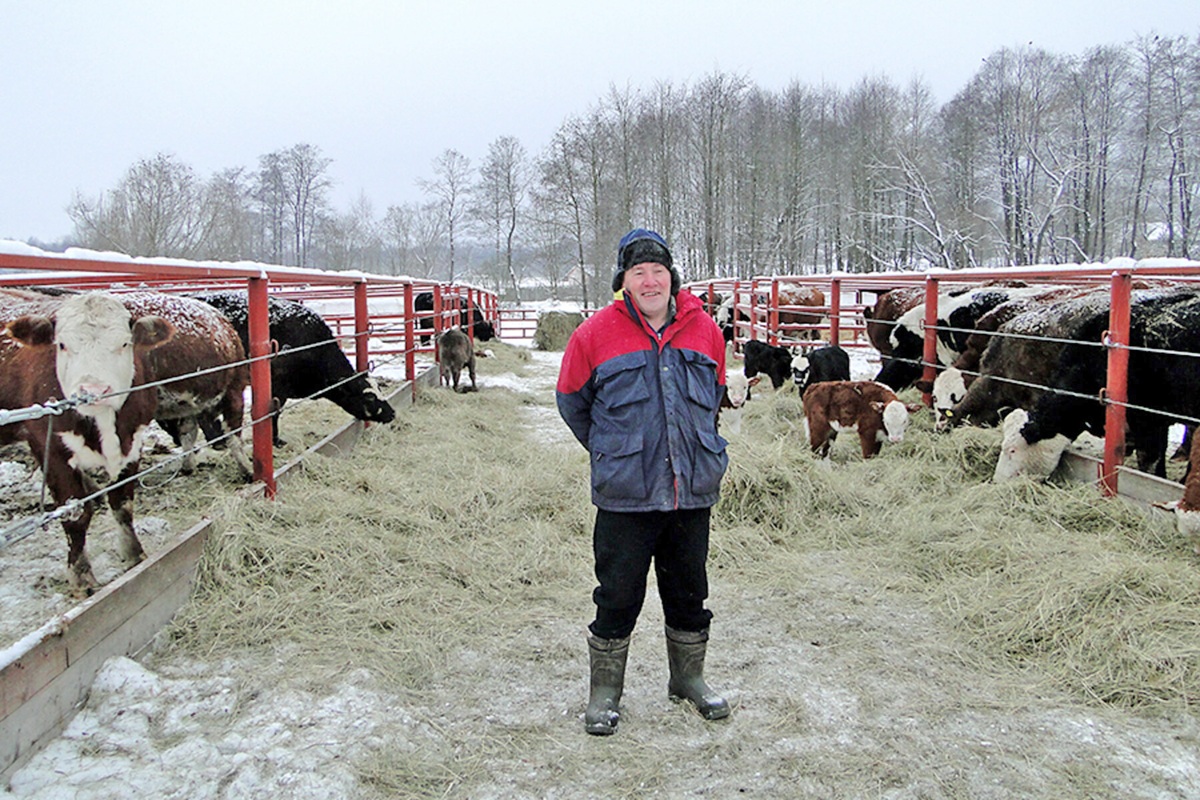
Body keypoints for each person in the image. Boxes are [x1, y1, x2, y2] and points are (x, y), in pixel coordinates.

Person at [556, 227, 732, 735]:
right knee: (617, 594)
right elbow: (572, 403)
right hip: (626, 496)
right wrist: (614, 451)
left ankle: (688, 679)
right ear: (624, 281)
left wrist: (693, 446)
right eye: (639, 272)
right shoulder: (593, 334)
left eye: (658, 271)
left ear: (671, 276)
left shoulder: (706, 330)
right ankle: (605, 693)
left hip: (689, 491)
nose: (650, 281)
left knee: (690, 591)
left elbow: (715, 395)